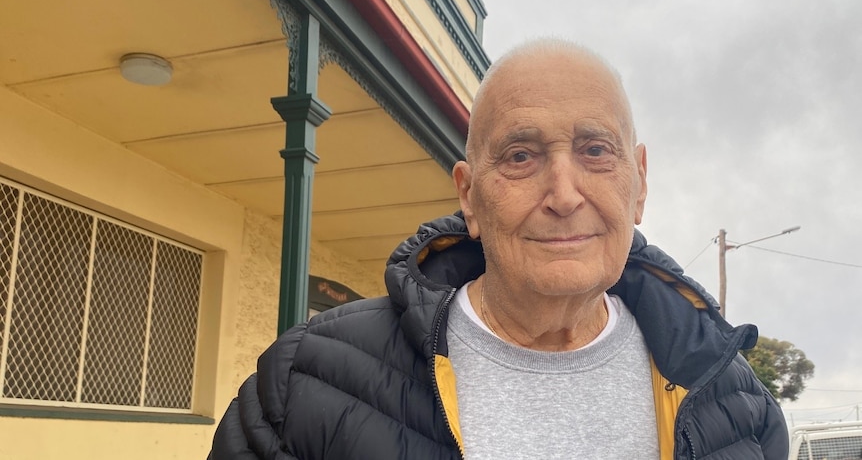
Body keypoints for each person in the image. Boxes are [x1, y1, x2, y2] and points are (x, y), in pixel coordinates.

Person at [208, 38, 788, 459]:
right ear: (470, 196)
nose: (564, 195)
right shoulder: (301, 385)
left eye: (595, 151)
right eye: (520, 156)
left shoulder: (736, 405)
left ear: (638, 183)